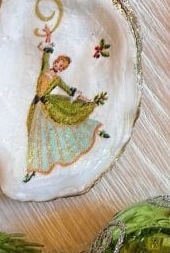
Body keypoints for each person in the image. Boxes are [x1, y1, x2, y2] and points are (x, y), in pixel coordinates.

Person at [23, 45, 108, 183]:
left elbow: (69, 90)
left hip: (48, 106)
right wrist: (48, 38)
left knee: (64, 122)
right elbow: (45, 55)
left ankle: (96, 129)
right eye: (58, 63)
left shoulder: (57, 80)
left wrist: (87, 100)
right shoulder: (45, 69)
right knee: (36, 136)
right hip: (36, 106)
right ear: (55, 61)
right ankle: (32, 168)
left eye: (62, 67)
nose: (59, 66)